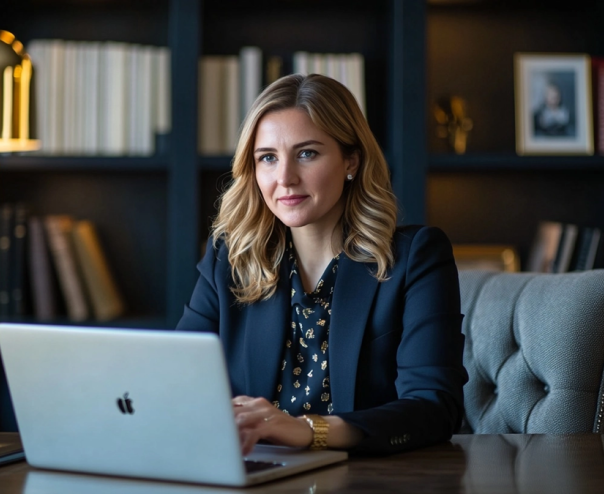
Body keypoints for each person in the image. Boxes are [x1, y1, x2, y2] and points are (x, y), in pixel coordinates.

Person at [176, 74, 467, 455]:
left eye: (307, 153)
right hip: (255, 472)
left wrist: (310, 431)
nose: (285, 178)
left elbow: (435, 408)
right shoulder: (229, 258)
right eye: (267, 158)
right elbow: (175, 382)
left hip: (368, 479)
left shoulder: (416, 257)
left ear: (351, 160)